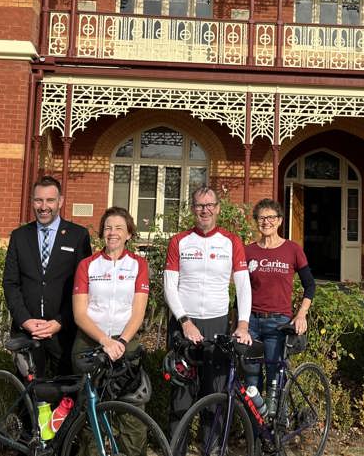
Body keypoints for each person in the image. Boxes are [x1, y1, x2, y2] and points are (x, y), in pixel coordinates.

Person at [164, 186, 252, 436]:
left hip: (218, 322)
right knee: (181, 392)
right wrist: (185, 321)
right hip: (184, 324)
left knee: (214, 390)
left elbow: (243, 286)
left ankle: (211, 448)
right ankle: (176, 449)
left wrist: (243, 324)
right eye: (200, 205)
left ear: (218, 208)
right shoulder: (179, 241)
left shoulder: (231, 241)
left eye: (210, 205)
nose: (205, 210)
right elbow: (169, 285)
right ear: (193, 209)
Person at [72, 206, 150, 454]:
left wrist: (122, 342)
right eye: (107, 227)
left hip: (126, 343)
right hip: (90, 342)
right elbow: (79, 314)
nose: (112, 232)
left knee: (132, 411)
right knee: (90, 409)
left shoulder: (139, 265)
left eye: (119, 228)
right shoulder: (88, 265)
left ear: (129, 234)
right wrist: (105, 341)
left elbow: (138, 312)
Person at [3, 175, 92, 377]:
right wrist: (25, 320)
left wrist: (60, 321)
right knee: (31, 395)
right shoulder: (19, 236)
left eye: (50, 200)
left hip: (63, 330)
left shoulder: (78, 236)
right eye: (38, 200)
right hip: (27, 331)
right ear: (32, 202)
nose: (44, 206)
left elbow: (83, 286)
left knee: (67, 394)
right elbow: (10, 283)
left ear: (60, 201)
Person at [244, 198, 315, 396]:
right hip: (251, 323)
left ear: (280, 220)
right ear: (256, 221)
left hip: (278, 323)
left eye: (271, 217)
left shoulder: (292, 250)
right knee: (251, 382)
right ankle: (256, 427)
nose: (266, 222)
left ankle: (279, 425)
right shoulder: (248, 251)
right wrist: (237, 323)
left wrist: (301, 314)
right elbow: (242, 290)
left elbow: (310, 284)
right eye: (261, 218)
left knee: (276, 381)